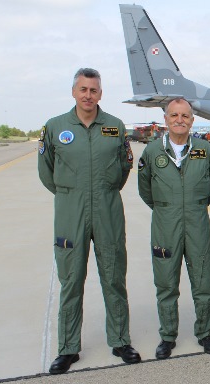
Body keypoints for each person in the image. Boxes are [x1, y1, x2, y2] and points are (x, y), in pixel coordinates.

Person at [38, 68, 141, 374]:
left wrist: (103, 192)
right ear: (74, 92)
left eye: (93, 90)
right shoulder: (55, 127)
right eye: (83, 89)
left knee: (113, 277)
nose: (88, 95)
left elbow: (124, 167)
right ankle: (68, 348)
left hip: (108, 211)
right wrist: (71, 195)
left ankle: (121, 340)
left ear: (100, 93)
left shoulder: (115, 126)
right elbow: (46, 172)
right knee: (71, 281)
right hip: (71, 213)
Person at [137, 98, 210, 359]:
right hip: (165, 226)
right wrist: (167, 208)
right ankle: (168, 336)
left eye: (185, 115)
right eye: (174, 115)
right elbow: (145, 189)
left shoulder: (205, 150)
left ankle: (205, 333)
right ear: (166, 119)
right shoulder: (152, 152)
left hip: (197, 224)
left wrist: (193, 207)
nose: (180, 120)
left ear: (192, 120)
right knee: (166, 284)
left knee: (204, 282)